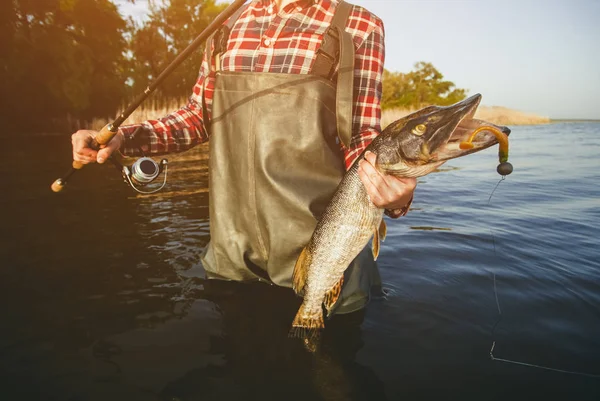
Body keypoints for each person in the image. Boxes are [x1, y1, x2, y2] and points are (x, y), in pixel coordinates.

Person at [71, 0, 416, 316]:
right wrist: (122, 137)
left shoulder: (359, 25)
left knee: (329, 376)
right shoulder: (226, 26)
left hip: (325, 261)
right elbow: (195, 118)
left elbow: (361, 136)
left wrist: (396, 195)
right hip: (232, 260)